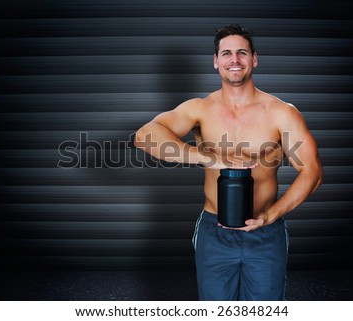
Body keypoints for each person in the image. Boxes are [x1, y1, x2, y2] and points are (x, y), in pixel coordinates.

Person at [133, 23, 323, 301]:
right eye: (227, 54)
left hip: (266, 231)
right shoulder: (200, 109)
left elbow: (312, 173)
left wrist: (271, 215)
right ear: (216, 61)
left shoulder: (281, 113)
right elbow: (144, 136)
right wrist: (211, 158)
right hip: (214, 232)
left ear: (254, 59)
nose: (234, 60)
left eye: (242, 53)